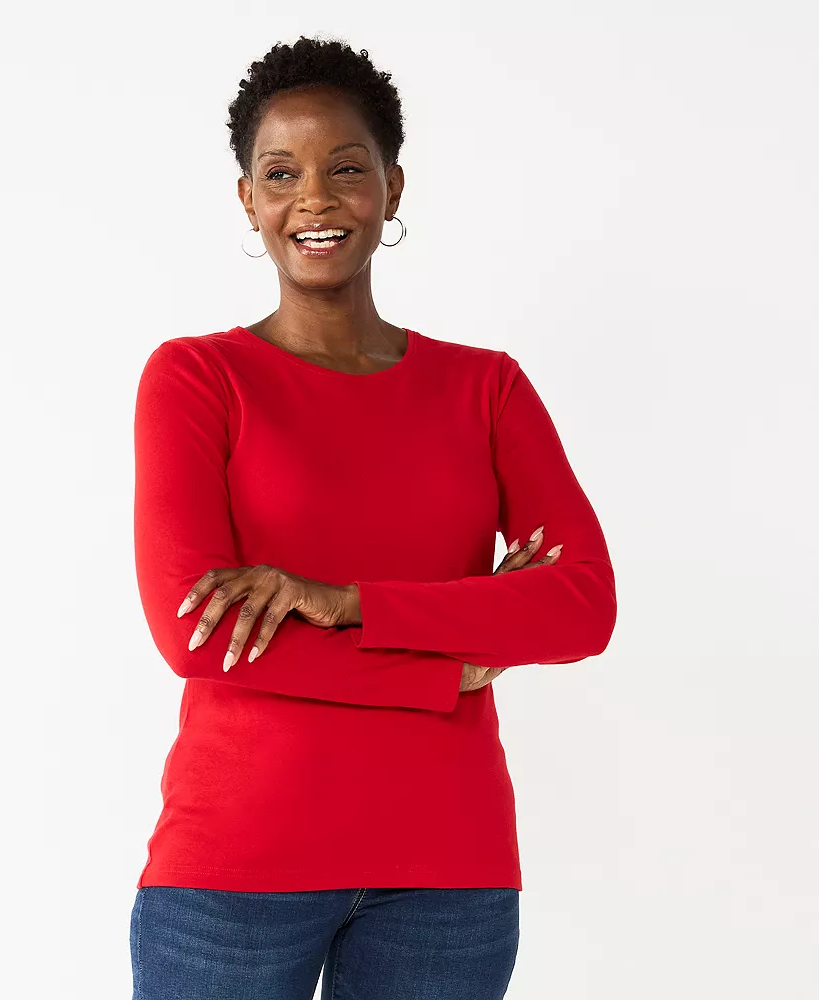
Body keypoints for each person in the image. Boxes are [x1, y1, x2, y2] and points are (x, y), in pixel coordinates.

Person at [128, 35, 616, 1000]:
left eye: (346, 169)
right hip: (236, 867)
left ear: (392, 187)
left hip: (448, 870)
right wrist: (448, 665)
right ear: (248, 199)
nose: (314, 198)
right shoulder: (198, 378)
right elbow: (197, 634)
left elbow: (581, 605)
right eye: (282, 174)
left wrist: (346, 601)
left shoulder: (486, 389)